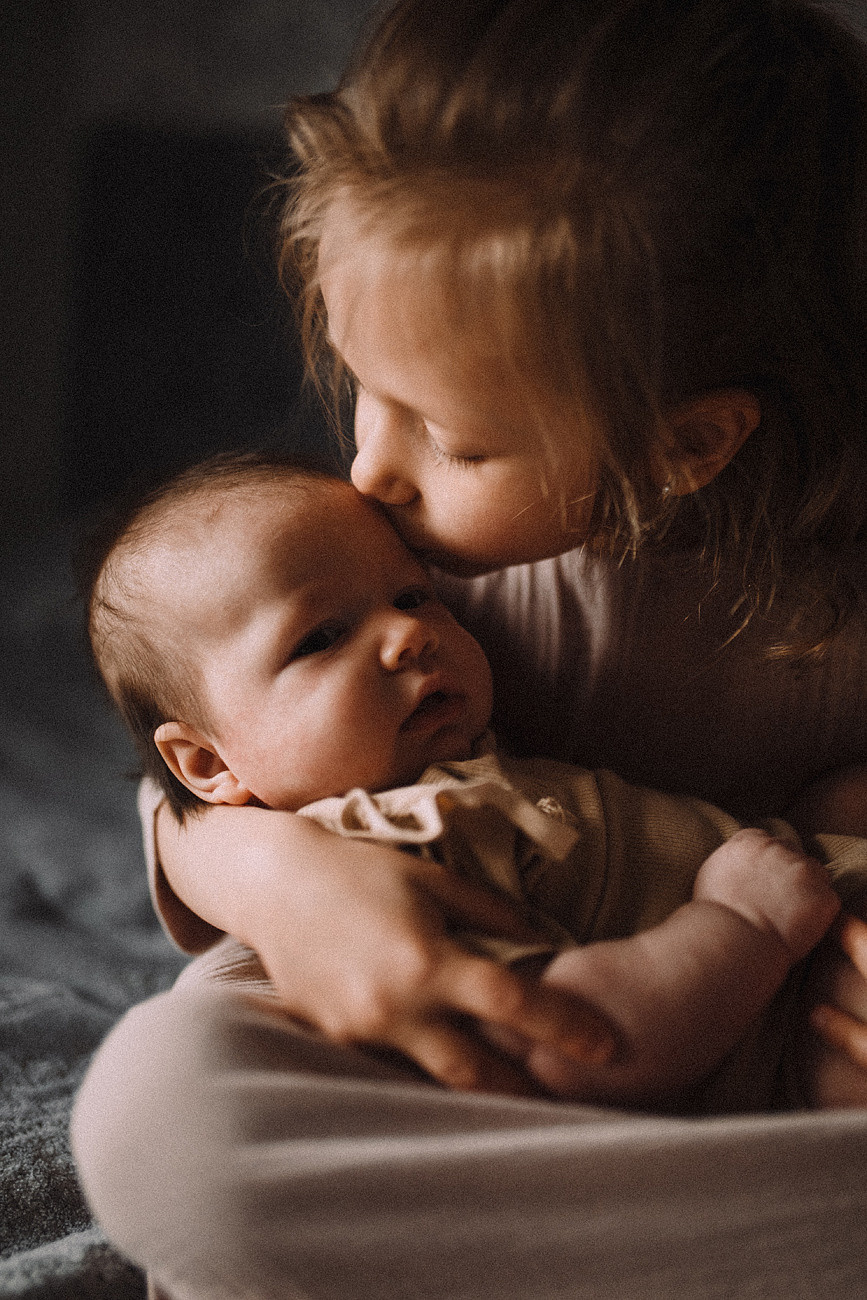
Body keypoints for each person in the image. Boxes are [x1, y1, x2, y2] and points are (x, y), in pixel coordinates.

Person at [72, 1, 867, 1296]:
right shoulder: (409, 568)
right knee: (165, 1115)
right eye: (353, 379)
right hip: (492, 1032)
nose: (368, 469)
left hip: (789, 1052)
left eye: (452, 437)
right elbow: (210, 766)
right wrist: (288, 889)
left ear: (683, 447)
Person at [76, 452, 857, 1118]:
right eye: (319, 638)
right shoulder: (401, 852)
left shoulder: (473, 766)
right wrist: (743, 922)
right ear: (210, 766)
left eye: (413, 597)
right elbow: (582, 1044)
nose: (409, 632)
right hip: (779, 1025)